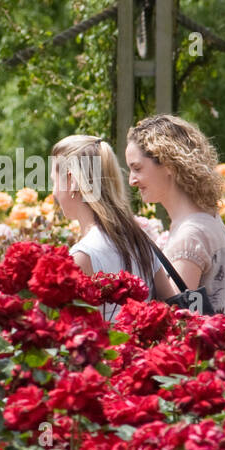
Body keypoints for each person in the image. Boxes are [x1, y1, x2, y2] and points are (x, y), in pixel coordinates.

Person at [125, 113, 225, 322]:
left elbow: (172, 320)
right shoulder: (206, 217)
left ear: (168, 164)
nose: (132, 180)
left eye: (137, 168)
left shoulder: (191, 234)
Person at [51, 134, 160, 318]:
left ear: (72, 182)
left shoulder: (83, 256)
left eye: (54, 181)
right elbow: (169, 302)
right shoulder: (140, 241)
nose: (53, 193)